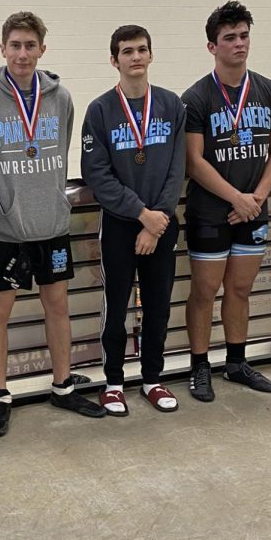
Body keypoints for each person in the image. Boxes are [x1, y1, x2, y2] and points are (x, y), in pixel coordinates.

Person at [0, 11, 106, 436]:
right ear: (2, 49)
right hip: (5, 229)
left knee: (58, 305)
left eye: (30, 46)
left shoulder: (61, 98)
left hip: (51, 224)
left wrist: (49, 202)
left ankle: (62, 386)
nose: (22, 54)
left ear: (42, 50)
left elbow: (59, 152)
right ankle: (0, 395)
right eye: (15, 45)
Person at [182, 1, 271, 402]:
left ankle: (237, 362)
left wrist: (256, 197)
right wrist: (237, 198)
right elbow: (194, 160)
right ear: (212, 47)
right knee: (205, 292)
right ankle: (199, 366)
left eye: (244, 36)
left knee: (240, 289)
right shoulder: (196, 97)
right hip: (211, 210)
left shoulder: (269, 90)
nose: (239, 44)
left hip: (253, 208)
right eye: (229, 38)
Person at [81, 24, 186, 415]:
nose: (136, 57)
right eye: (127, 51)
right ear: (115, 60)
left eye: (142, 49)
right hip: (122, 224)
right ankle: (112, 382)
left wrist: (156, 220)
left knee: (158, 305)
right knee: (116, 305)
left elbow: (178, 168)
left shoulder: (172, 105)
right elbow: (96, 173)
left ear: (151, 55)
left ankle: (152, 379)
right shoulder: (100, 110)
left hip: (162, 221)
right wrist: (141, 215)